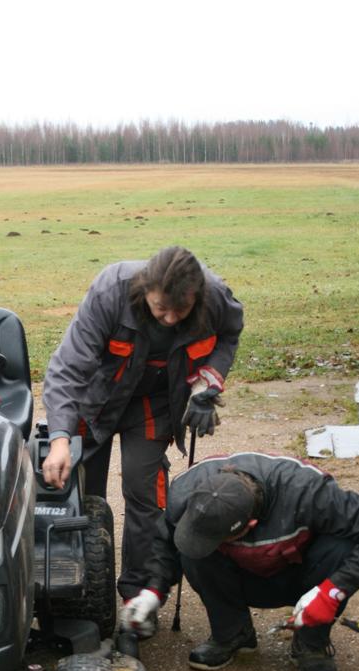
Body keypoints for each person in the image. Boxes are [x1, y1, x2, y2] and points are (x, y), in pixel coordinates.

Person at [42, 246, 244, 605]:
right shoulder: (111, 290)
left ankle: (137, 597)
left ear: (196, 296)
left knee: (144, 492)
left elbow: (229, 335)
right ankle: (84, 588)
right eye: (160, 308)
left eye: (180, 311)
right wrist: (59, 438)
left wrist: (207, 385)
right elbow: (68, 368)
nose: (169, 319)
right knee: (83, 495)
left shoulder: (214, 296)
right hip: (96, 401)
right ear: (144, 289)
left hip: (156, 402)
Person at [120, 452, 359, 671]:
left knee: (340, 548)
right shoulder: (188, 490)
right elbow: (165, 539)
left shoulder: (307, 491)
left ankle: (311, 643)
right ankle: (232, 633)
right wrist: (152, 590)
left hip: (301, 577)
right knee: (193, 549)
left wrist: (331, 592)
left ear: (250, 526)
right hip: (237, 577)